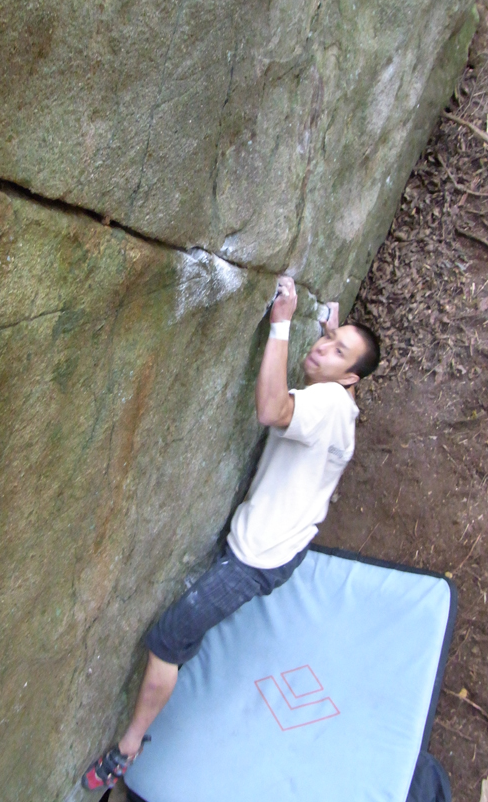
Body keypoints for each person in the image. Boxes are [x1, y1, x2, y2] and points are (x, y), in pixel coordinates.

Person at [81, 275, 380, 793]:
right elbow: (327, 379)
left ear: (350, 378)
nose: (323, 348)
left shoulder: (329, 404)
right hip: (284, 542)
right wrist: (333, 334)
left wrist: (281, 324)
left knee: (169, 639)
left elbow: (271, 410)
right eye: (329, 339)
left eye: (337, 352)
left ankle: (127, 748)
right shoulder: (343, 405)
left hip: (256, 556)